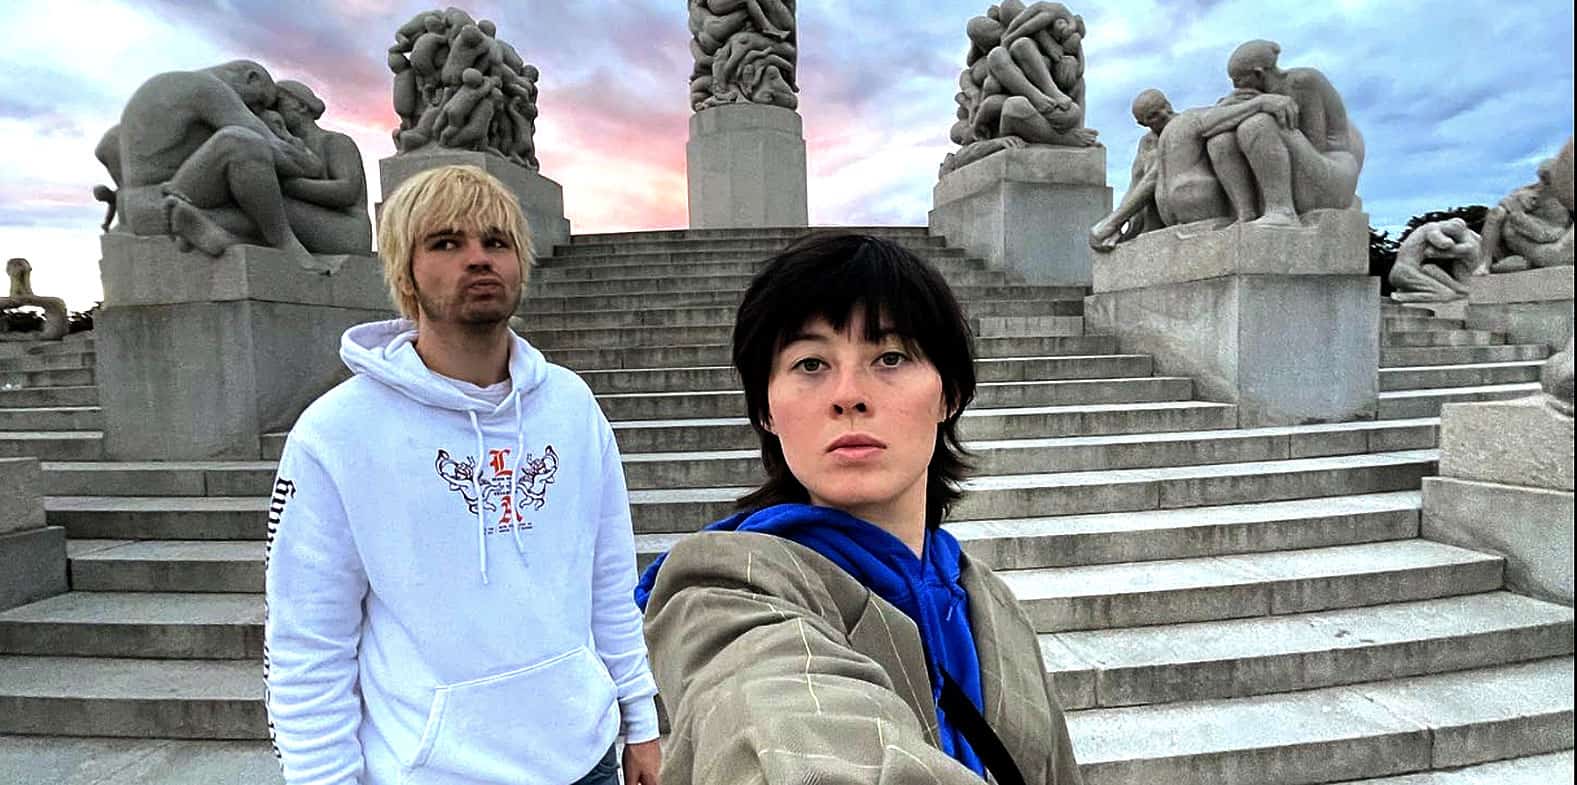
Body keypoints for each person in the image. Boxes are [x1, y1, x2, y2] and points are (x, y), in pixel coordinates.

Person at [636, 233, 1084, 784]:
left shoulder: (987, 599)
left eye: (890, 357)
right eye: (810, 363)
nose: (848, 394)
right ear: (766, 411)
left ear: (949, 395)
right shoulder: (723, 593)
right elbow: (792, 731)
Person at [264, 165, 661, 785]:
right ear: (405, 269)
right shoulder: (335, 432)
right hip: (433, 771)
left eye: (496, 242)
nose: (478, 259)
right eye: (446, 242)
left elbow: (608, 579)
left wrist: (639, 720)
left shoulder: (571, 405)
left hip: (586, 760)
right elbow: (306, 642)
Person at [1205, 40, 1365, 226]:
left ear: (1258, 73)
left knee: (1256, 125)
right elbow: (1207, 127)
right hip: (1298, 172)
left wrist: (1256, 110)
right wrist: (1253, 104)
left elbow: (1316, 144)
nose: (1236, 87)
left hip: (1332, 176)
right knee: (1220, 140)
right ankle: (1246, 213)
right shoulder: (1254, 97)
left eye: (1238, 80)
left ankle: (1282, 210)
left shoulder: (1302, 82)